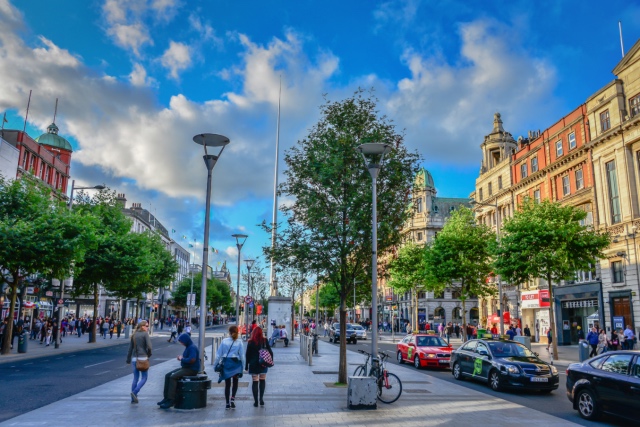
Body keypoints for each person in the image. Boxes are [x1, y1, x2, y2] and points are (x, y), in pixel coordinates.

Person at [158, 333, 200, 409]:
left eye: (182, 342)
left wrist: (182, 359)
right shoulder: (188, 347)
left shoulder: (192, 348)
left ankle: (171, 399)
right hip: (186, 367)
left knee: (173, 377)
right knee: (167, 375)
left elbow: (192, 360)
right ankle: (166, 397)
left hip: (191, 369)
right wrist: (182, 358)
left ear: (186, 340)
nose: (181, 343)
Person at [215, 325, 245, 409]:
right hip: (236, 363)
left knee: (227, 384)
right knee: (235, 382)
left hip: (227, 363)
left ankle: (227, 403)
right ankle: (232, 399)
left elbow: (218, 355)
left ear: (229, 332)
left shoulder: (224, 341)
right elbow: (242, 356)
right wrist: (243, 365)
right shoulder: (239, 342)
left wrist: (215, 365)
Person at [245, 326, 273, 407]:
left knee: (255, 381)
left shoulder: (250, 342)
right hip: (263, 363)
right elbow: (270, 352)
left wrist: (246, 366)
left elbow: (247, 355)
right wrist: (271, 361)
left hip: (253, 364)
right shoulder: (264, 340)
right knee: (262, 380)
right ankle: (261, 399)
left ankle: (256, 401)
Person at [126, 320, 152, 403]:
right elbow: (149, 346)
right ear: (142, 326)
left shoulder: (134, 335)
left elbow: (130, 348)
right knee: (144, 378)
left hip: (134, 359)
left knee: (135, 378)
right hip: (143, 358)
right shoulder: (145, 334)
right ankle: (135, 392)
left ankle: (133, 398)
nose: (148, 327)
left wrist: (128, 359)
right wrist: (148, 354)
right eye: (146, 326)